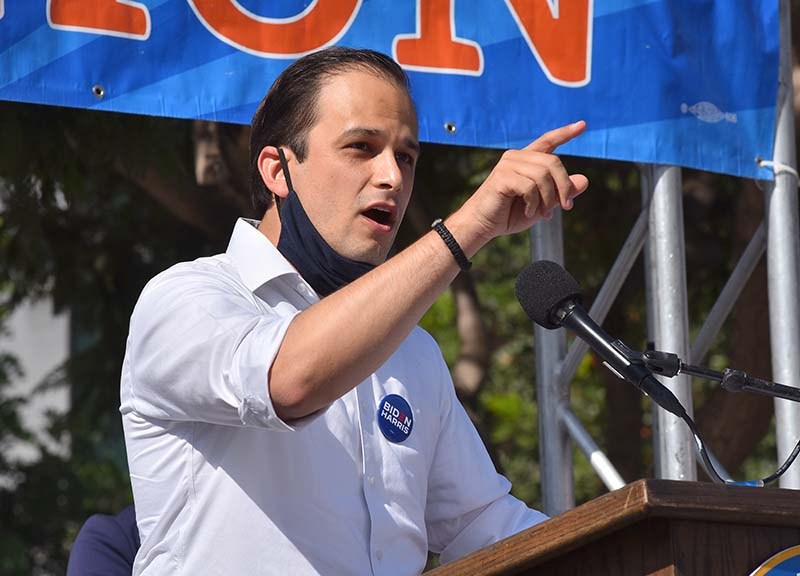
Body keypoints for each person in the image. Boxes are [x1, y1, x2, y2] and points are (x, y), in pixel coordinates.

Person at [120, 47, 588, 575]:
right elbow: (289, 380)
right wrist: (466, 229)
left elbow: (481, 526)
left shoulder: (412, 350)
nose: (391, 176)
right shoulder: (187, 298)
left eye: (406, 156)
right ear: (279, 170)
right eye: (361, 147)